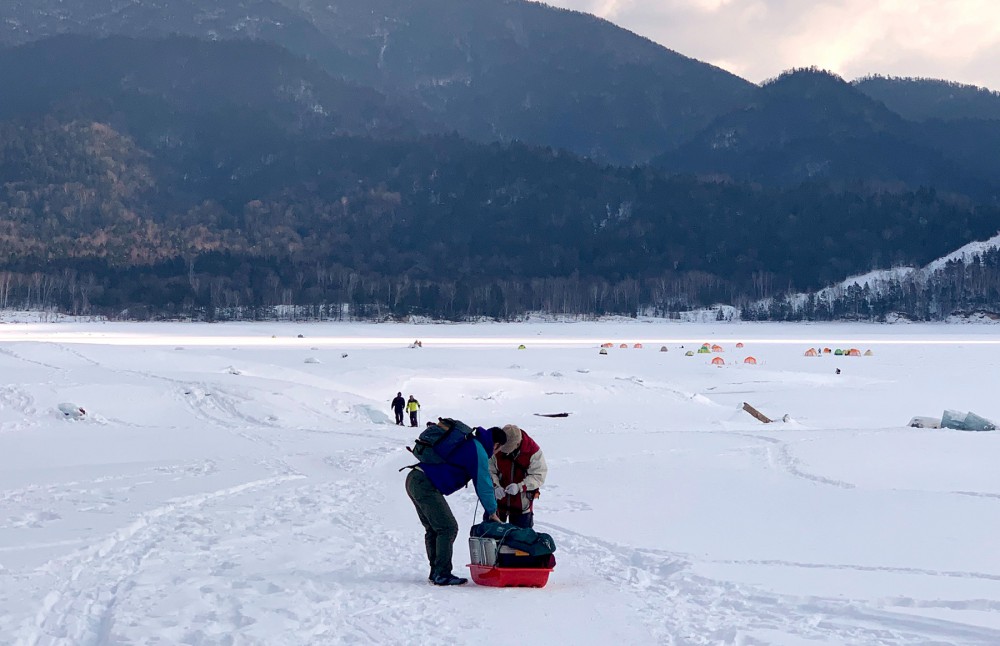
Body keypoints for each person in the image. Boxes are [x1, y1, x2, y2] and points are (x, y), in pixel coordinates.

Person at [404, 424, 504, 586]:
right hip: (424, 484)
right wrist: (492, 511)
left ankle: (436, 571)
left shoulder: (471, 442)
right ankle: (442, 574)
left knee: (435, 528)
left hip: (415, 479)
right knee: (448, 527)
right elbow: (483, 482)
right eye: (498, 450)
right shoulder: (477, 449)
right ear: (496, 445)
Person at [490, 424, 547, 528]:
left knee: (521, 541)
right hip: (496, 504)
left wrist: (520, 486)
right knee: (490, 538)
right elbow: (489, 470)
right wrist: (495, 486)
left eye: (508, 449)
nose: (503, 451)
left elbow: (538, 475)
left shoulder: (533, 452)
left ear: (517, 444)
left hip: (522, 506)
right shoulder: (496, 447)